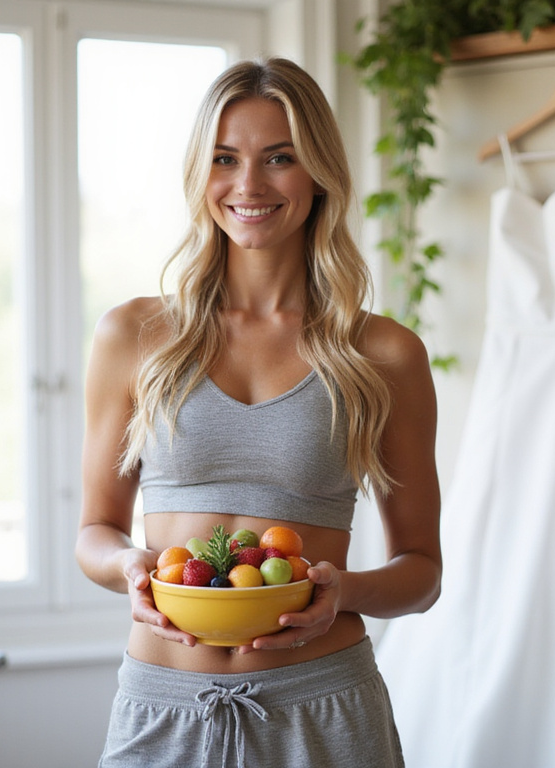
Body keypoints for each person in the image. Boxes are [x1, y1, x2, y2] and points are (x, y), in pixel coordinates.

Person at [76, 56, 441, 768]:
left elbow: (422, 569)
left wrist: (344, 593)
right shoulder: (133, 336)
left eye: (279, 158)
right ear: (199, 175)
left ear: (318, 174)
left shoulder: (384, 352)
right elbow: (94, 529)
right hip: (161, 709)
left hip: (323, 709)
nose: (249, 185)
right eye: (225, 159)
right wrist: (126, 566)